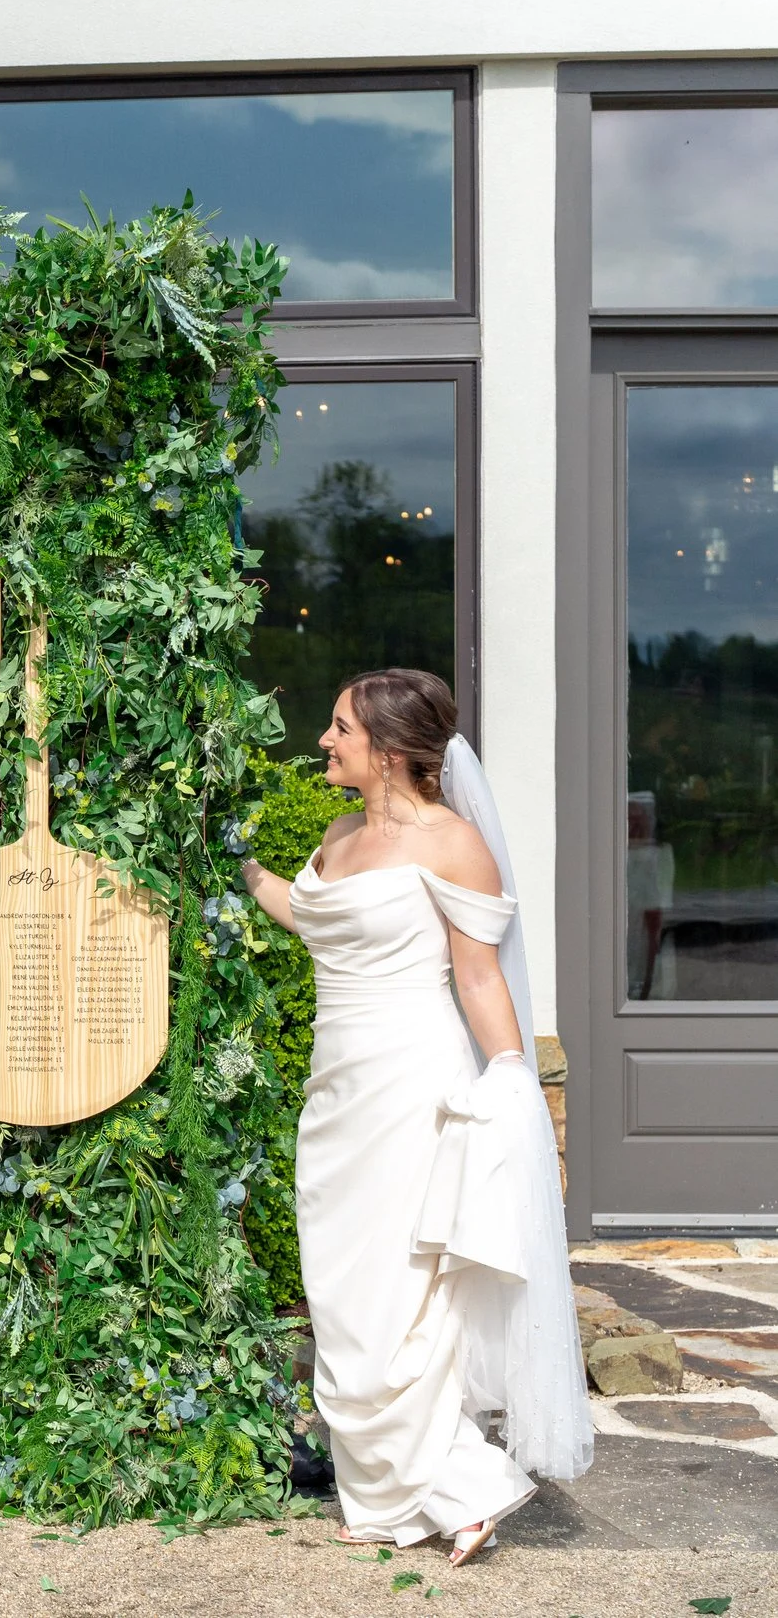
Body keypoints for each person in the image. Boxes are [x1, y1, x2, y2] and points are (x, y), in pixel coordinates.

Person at [242, 669, 591, 1565]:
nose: (325, 741)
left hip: (413, 1085)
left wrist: (511, 1078)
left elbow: (478, 975)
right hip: (337, 1091)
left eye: (340, 728)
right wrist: (238, 869)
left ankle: (460, 1490)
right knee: (340, 1285)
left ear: (390, 750)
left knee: (402, 1290)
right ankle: (386, 1492)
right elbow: (311, 917)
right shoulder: (338, 836)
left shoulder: (453, 843)